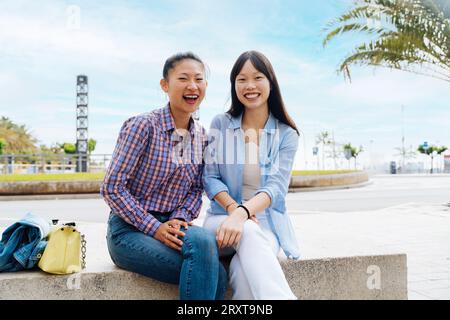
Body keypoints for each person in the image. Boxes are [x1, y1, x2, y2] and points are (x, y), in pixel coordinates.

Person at [100, 52, 227, 300]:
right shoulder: (143, 125)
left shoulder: (202, 137)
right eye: (183, 78)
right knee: (217, 275)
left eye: (199, 80)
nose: (192, 86)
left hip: (174, 226)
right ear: (165, 85)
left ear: (205, 87)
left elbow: (193, 191)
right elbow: (112, 187)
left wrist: (179, 220)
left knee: (202, 240)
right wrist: (155, 228)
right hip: (128, 231)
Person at [203, 50, 300, 300]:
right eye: (241, 79)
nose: (250, 86)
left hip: (266, 223)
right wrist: (236, 212)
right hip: (221, 218)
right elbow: (211, 177)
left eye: (257, 77)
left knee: (242, 272)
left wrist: (243, 214)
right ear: (233, 84)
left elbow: (276, 188)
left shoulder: (287, 134)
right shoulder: (221, 124)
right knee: (246, 230)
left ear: (270, 82)